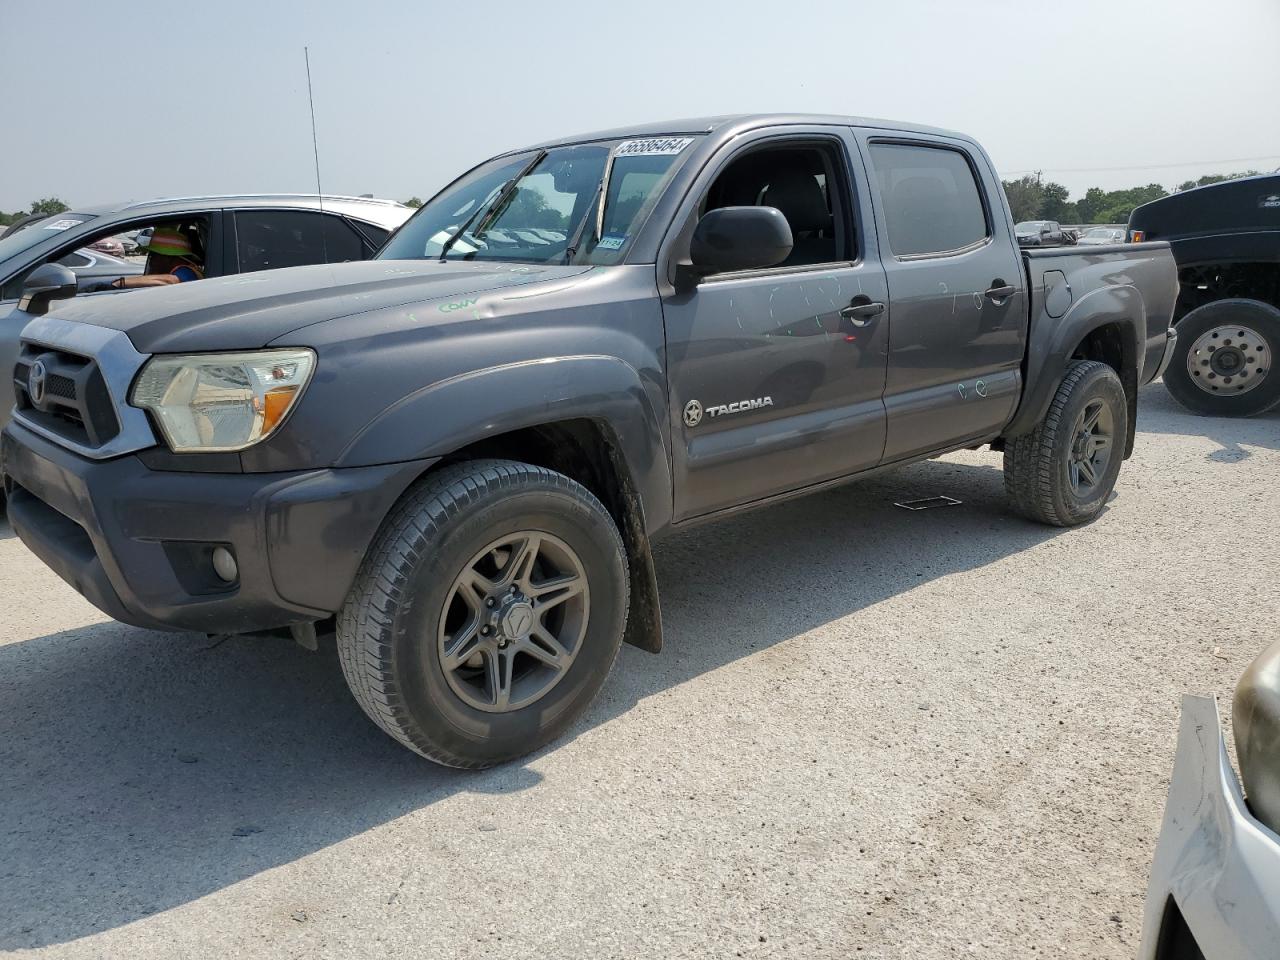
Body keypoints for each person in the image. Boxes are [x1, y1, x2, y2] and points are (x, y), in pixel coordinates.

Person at [95, 224, 206, 290]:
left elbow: (170, 281)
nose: (151, 261)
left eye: (153, 256)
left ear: (169, 257)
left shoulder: (187, 272)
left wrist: (120, 283)